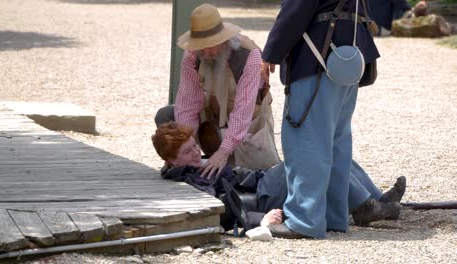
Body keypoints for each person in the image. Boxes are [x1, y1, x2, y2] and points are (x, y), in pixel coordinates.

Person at [261, 0, 381, 238]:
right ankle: (333, 217)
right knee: (337, 143)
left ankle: (304, 220)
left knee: (306, 143)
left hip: (318, 59)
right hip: (347, 56)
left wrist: (271, 53)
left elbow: (295, 10)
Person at [151, 122, 405, 231]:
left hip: (263, 182)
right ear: (171, 160)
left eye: (194, 145)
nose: (196, 152)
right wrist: (259, 219)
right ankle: (364, 208)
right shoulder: (190, 181)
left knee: (334, 156)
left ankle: (375, 198)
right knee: (315, 157)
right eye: (188, 151)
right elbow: (220, 208)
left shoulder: (193, 166)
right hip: (262, 196)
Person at [155, 4, 280, 178]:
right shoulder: (192, 56)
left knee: (247, 176)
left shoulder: (249, 56)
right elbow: (188, 105)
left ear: (224, 40)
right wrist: (186, 147)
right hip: (215, 113)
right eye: (201, 45)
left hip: (249, 120)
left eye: (211, 45)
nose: (206, 52)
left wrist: (223, 152)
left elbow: (243, 112)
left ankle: (228, 158)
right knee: (166, 116)